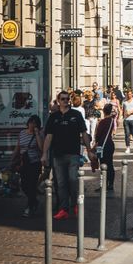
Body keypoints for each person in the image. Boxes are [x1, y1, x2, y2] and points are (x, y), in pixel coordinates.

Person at [43, 90, 91, 220]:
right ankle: (63, 209)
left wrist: (89, 150)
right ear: (58, 101)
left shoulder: (75, 114)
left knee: (73, 179)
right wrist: (44, 154)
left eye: (67, 99)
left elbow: (84, 133)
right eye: (62, 99)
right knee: (61, 182)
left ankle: (75, 204)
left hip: (73, 153)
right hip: (58, 154)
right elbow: (49, 136)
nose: (65, 101)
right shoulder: (54, 117)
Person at [13, 113, 44, 217]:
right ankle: (34, 201)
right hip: (23, 163)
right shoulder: (22, 133)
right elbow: (18, 147)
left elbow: (41, 148)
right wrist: (13, 159)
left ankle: (29, 208)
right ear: (28, 123)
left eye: (35, 123)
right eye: (31, 122)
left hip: (34, 163)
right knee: (24, 185)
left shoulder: (39, 134)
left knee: (31, 185)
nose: (32, 125)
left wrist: (36, 134)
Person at [94, 102, 117, 192]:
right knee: (110, 164)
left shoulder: (103, 122)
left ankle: (103, 184)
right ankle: (110, 184)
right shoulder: (111, 120)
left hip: (102, 145)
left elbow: (98, 135)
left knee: (103, 165)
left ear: (103, 111)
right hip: (110, 144)